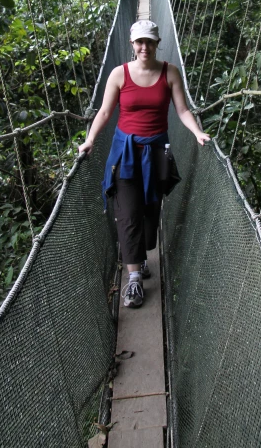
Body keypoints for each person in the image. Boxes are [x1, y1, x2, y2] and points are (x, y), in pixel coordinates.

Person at [78, 20, 210, 308]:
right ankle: (134, 278)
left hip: (157, 153)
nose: (144, 47)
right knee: (127, 212)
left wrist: (197, 132)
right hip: (125, 154)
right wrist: (89, 140)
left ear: (157, 42)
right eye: (139, 42)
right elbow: (103, 112)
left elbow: (183, 110)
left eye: (149, 41)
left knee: (151, 211)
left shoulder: (169, 72)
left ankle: (138, 256)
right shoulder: (119, 74)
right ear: (132, 44)